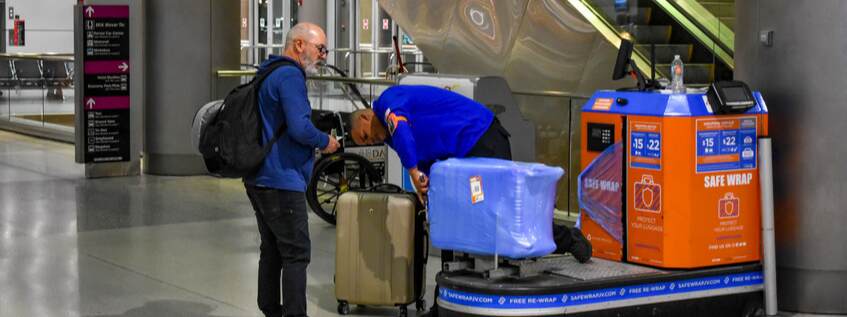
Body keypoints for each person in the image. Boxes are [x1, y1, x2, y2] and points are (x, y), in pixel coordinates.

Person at [349, 85, 591, 316]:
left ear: (365, 118)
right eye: (367, 143)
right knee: (450, 224)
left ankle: (567, 238)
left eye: (366, 136)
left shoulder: (388, 102)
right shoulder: (391, 137)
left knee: (502, 215)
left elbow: (402, 133)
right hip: (460, 156)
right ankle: (442, 304)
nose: (372, 141)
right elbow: (422, 153)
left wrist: (412, 171)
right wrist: (428, 187)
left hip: (481, 137)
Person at [243, 22, 339, 317]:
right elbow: (300, 128)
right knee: (297, 253)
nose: (323, 55)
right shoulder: (289, 76)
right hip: (282, 180)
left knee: (271, 250)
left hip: (260, 177)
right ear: (299, 45)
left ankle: (271, 310)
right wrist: (326, 141)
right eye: (320, 48)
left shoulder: (268, 72)